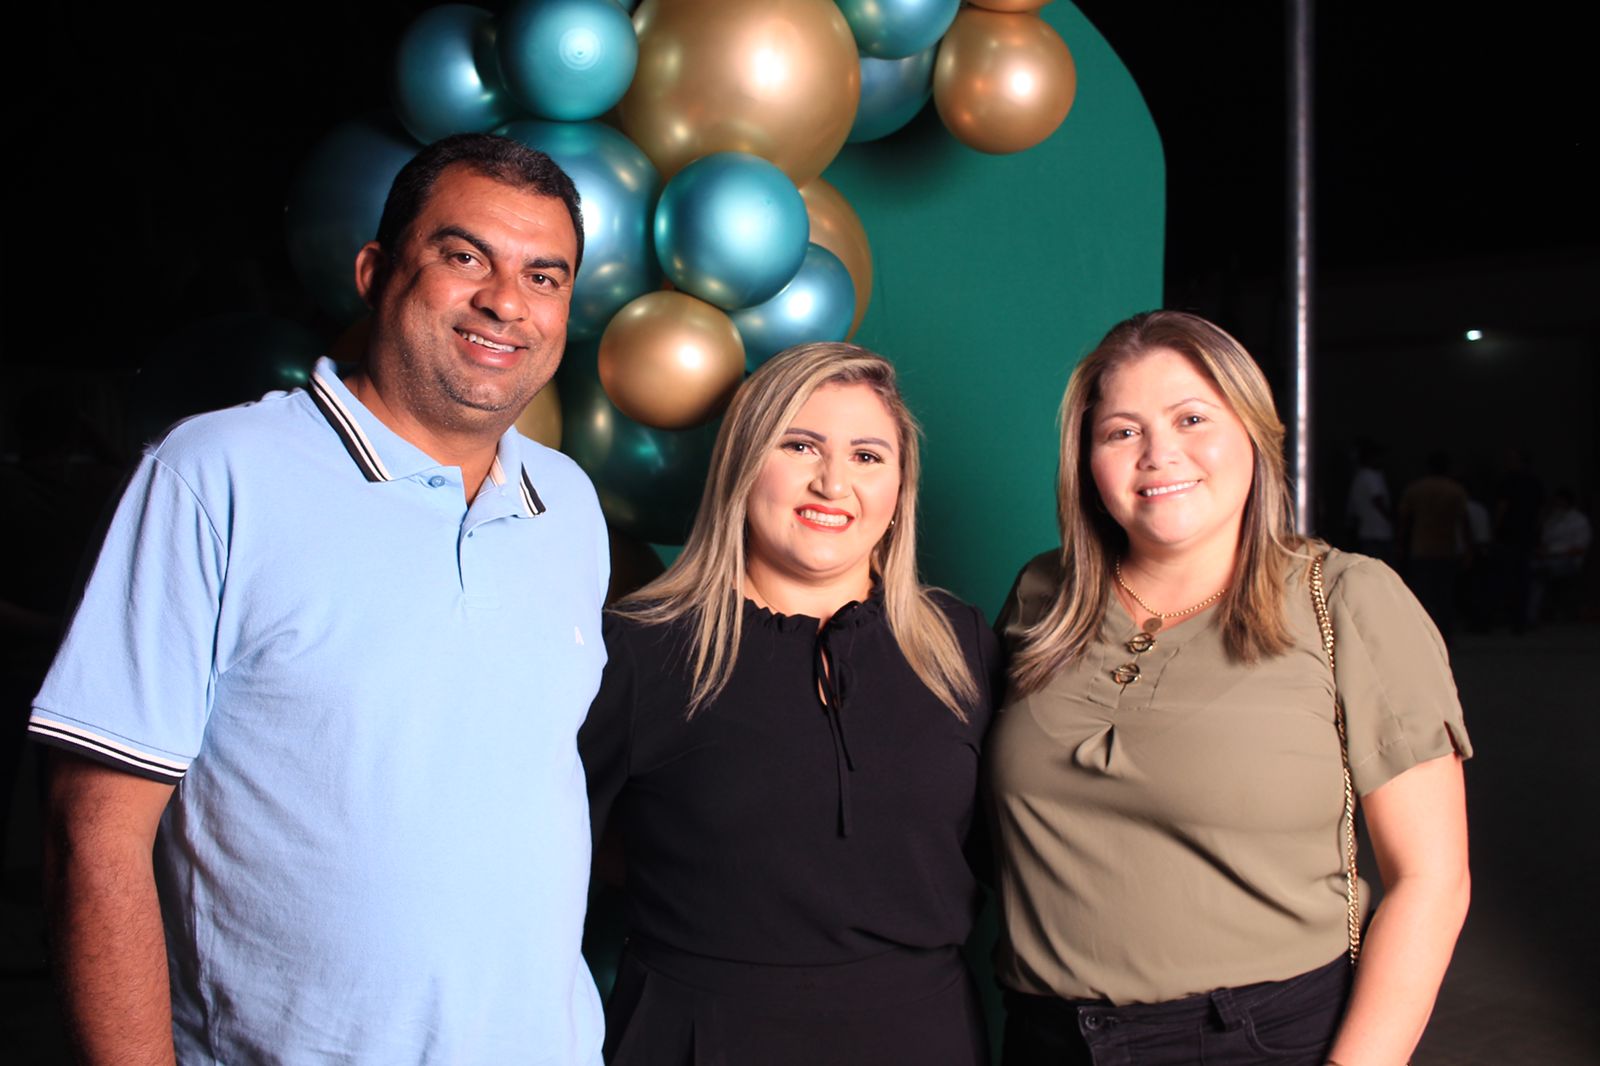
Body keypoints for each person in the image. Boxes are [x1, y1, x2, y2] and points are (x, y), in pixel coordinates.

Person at [29, 133, 610, 1064]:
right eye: (465, 258)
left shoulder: (568, 502)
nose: (507, 301)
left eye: (544, 277)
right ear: (375, 273)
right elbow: (92, 836)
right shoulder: (215, 475)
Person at [988, 311, 1471, 1066]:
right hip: (1043, 1038)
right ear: (1086, 459)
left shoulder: (1349, 598)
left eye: (1191, 419)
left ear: (1253, 431)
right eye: (1122, 431)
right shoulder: (1043, 595)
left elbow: (1431, 880)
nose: (1159, 453)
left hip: (1252, 1040)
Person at [580, 342, 999, 1065]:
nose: (833, 482)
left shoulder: (961, 646)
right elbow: (540, 865)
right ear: (743, 464)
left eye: (867, 456)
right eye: (800, 445)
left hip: (923, 1037)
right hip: (698, 1036)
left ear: (900, 489)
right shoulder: (638, 651)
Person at [1397, 451, 1471, 642]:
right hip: (1446, 546)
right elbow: (1464, 522)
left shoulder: (1416, 489)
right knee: (1445, 594)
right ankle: (1445, 633)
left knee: (1423, 594)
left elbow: (1404, 520)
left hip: (1420, 547)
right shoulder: (1455, 490)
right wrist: (1468, 548)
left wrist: (1400, 545)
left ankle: (1425, 633)